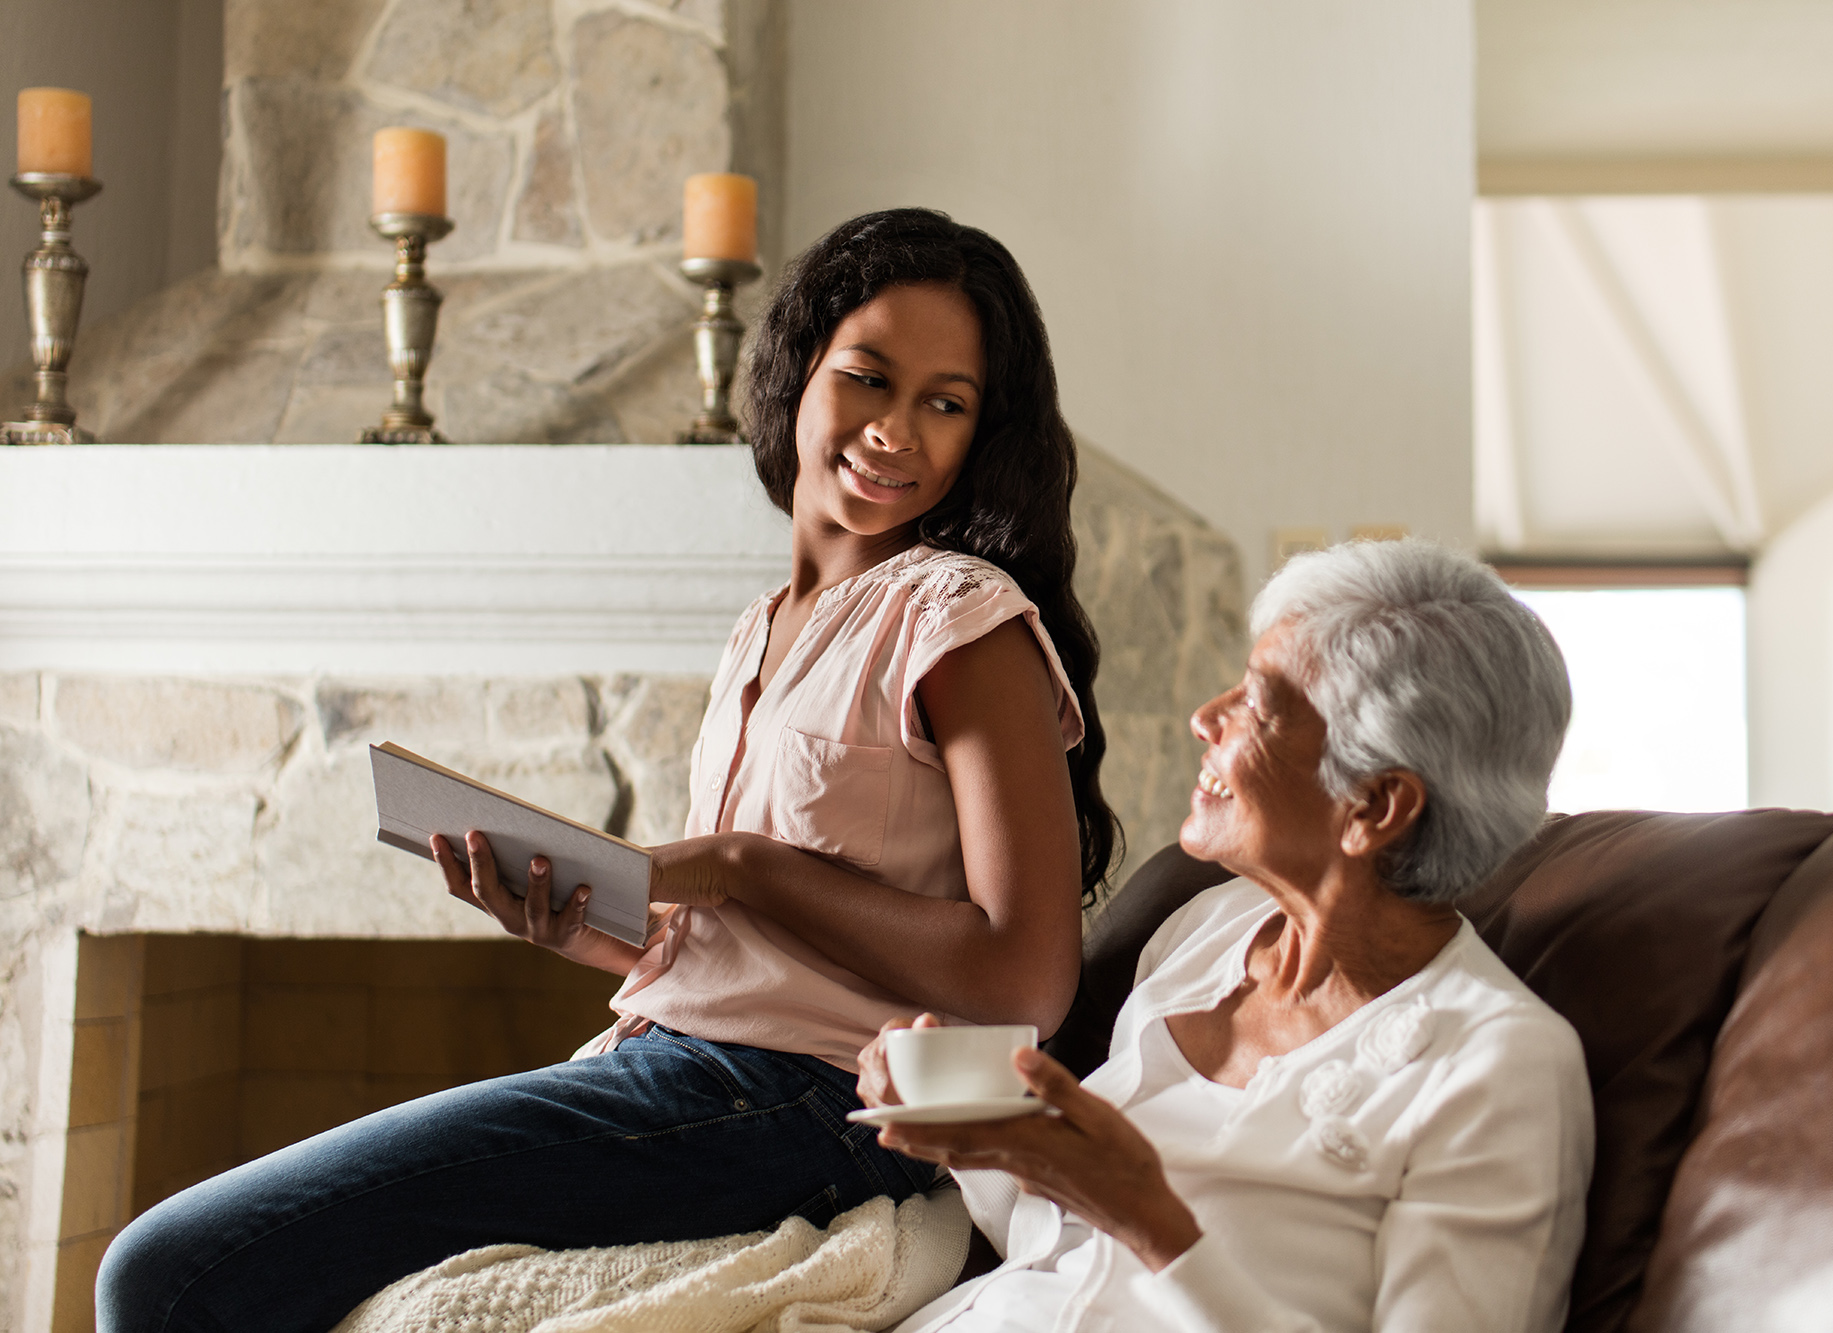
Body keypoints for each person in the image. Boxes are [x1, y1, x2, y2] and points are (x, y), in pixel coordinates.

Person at [96, 209, 1119, 1333]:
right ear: (798, 371)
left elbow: (1025, 977)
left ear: (983, 431)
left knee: (168, 1271)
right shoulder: (760, 629)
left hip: (809, 1101)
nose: (895, 430)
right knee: (186, 1268)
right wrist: (576, 918)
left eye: (945, 402)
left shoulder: (959, 618)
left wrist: (741, 865)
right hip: (680, 1063)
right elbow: (735, 954)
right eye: (869, 379)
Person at [862, 539, 1594, 1333]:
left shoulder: (1499, 1067)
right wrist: (976, 1123)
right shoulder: (1207, 932)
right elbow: (1053, 1253)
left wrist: (1151, 1218)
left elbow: (1128, 1226)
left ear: (1376, 806)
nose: (1205, 717)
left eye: (1258, 703)